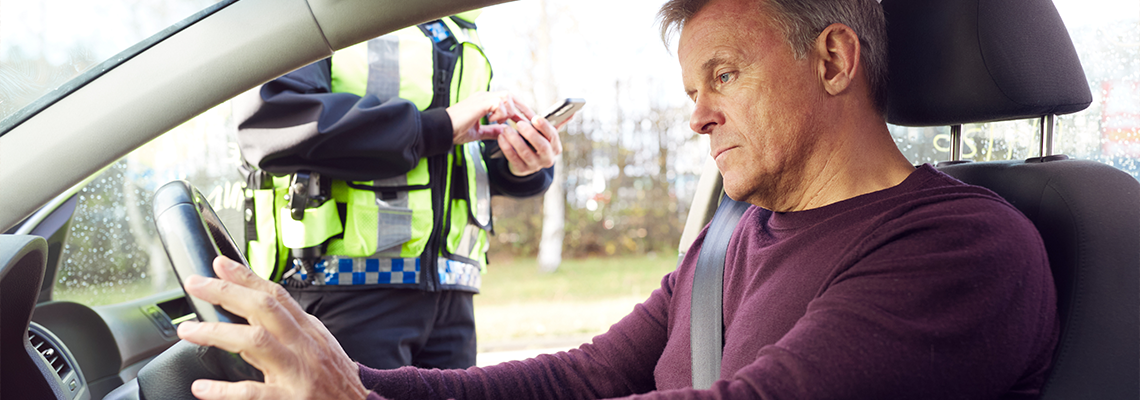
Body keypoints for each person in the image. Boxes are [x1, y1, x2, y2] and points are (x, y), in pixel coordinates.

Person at [180, 0, 1059, 398]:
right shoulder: (730, 239)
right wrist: (353, 376)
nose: (698, 118)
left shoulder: (964, 250)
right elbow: (585, 376)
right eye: (691, 91)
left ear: (832, 60)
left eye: (724, 75)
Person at [233, 9, 566, 370]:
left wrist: (519, 165)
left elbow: (462, 156)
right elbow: (271, 122)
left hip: (453, 299)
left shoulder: (459, 24)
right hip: (341, 294)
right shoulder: (319, 10)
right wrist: (435, 128)